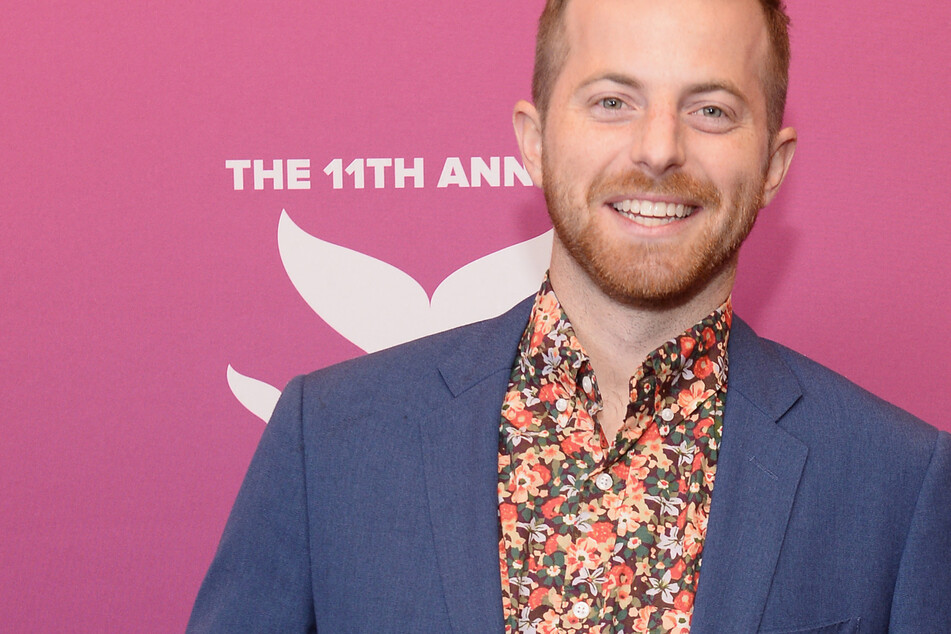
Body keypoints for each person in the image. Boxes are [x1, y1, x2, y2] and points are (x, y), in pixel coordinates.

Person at [188, 0, 951, 631]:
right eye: (612, 102)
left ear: (772, 166)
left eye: (711, 110)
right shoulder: (328, 441)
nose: (658, 148)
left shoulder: (897, 482)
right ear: (535, 142)